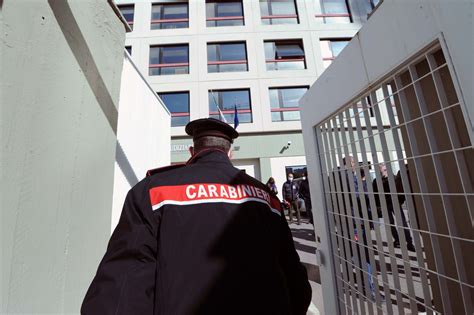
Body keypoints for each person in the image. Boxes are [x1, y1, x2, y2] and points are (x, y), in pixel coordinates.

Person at [81, 118, 311, 315]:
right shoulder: (266, 197)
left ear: (193, 151)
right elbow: (295, 280)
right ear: (230, 153)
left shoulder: (152, 191)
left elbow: (123, 285)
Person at [372, 163, 415, 251]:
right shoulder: (376, 181)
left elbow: (400, 191)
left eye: (384, 170)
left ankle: (409, 242)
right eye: (380, 171)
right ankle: (397, 240)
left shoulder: (394, 178)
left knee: (402, 223)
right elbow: (375, 195)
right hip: (385, 205)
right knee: (390, 223)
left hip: (395, 204)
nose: (383, 173)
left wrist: (399, 201)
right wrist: (378, 206)